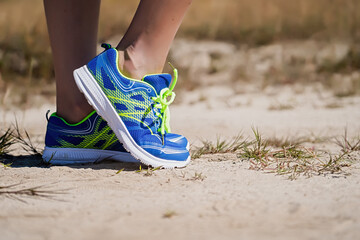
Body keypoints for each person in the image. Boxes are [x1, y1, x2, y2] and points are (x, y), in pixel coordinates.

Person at [42, 0, 192, 168]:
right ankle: (135, 63)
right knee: (138, 57)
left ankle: (77, 115)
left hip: (70, 131)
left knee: (77, 106)